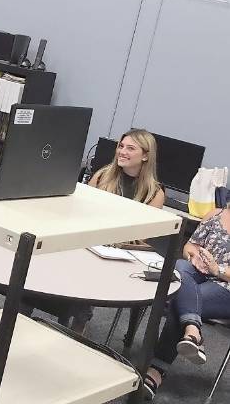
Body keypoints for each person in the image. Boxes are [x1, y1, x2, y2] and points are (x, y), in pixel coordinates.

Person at [23, 129, 166, 332]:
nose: (122, 152)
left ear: (145, 156)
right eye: (121, 146)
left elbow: (140, 238)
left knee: (92, 269)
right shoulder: (102, 176)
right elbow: (80, 213)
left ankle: (76, 328)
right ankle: (23, 308)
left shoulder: (154, 193)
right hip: (89, 241)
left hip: (119, 253)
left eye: (130, 148)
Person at [143, 206, 230, 400]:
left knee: (181, 298)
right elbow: (190, 246)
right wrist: (194, 257)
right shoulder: (215, 214)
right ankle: (193, 331)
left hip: (226, 287)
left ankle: (156, 370)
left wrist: (217, 270)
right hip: (198, 277)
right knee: (180, 265)